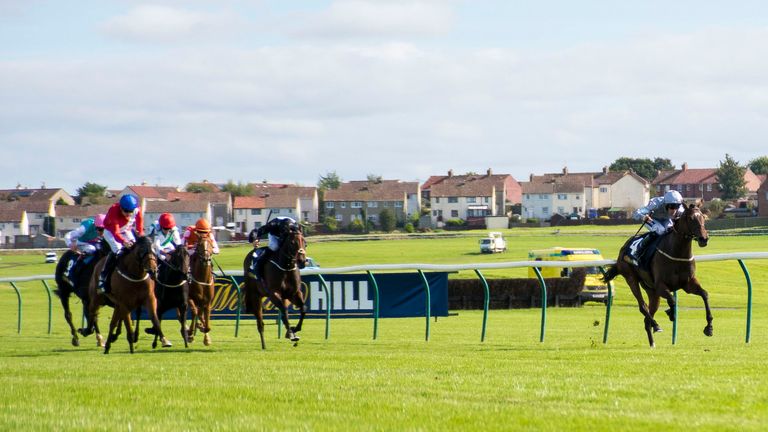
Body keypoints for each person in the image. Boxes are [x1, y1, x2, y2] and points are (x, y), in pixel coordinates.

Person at [97, 194, 144, 294]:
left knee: (138, 249)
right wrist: (124, 242)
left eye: (130, 211)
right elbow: (116, 232)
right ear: (121, 208)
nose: (128, 214)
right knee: (118, 251)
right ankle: (103, 276)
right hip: (110, 232)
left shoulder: (137, 210)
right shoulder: (114, 211)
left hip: (126, 230)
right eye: (126, 211)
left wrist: (140, 236)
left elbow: (140, 225)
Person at [625, 190, 684, 266]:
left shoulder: (680, 208)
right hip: (651, 219)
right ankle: (637, 252)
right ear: (665, 204)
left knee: (670, 231)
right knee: (660, 230)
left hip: (665, 219)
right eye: (672, 206)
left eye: (677, 206)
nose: (674, 210)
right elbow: (636, 213)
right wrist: (643, 217)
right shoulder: (656, 203)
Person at [63, 213, 106, 283]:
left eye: (103, 229)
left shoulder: (107, 228)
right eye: (99, 229)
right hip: (82, 244)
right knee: (91, 249)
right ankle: (74, 268)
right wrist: (70, 244)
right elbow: (68, 235)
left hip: (96, 243)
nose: (101, 232)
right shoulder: (85, 228)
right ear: (95, 226)